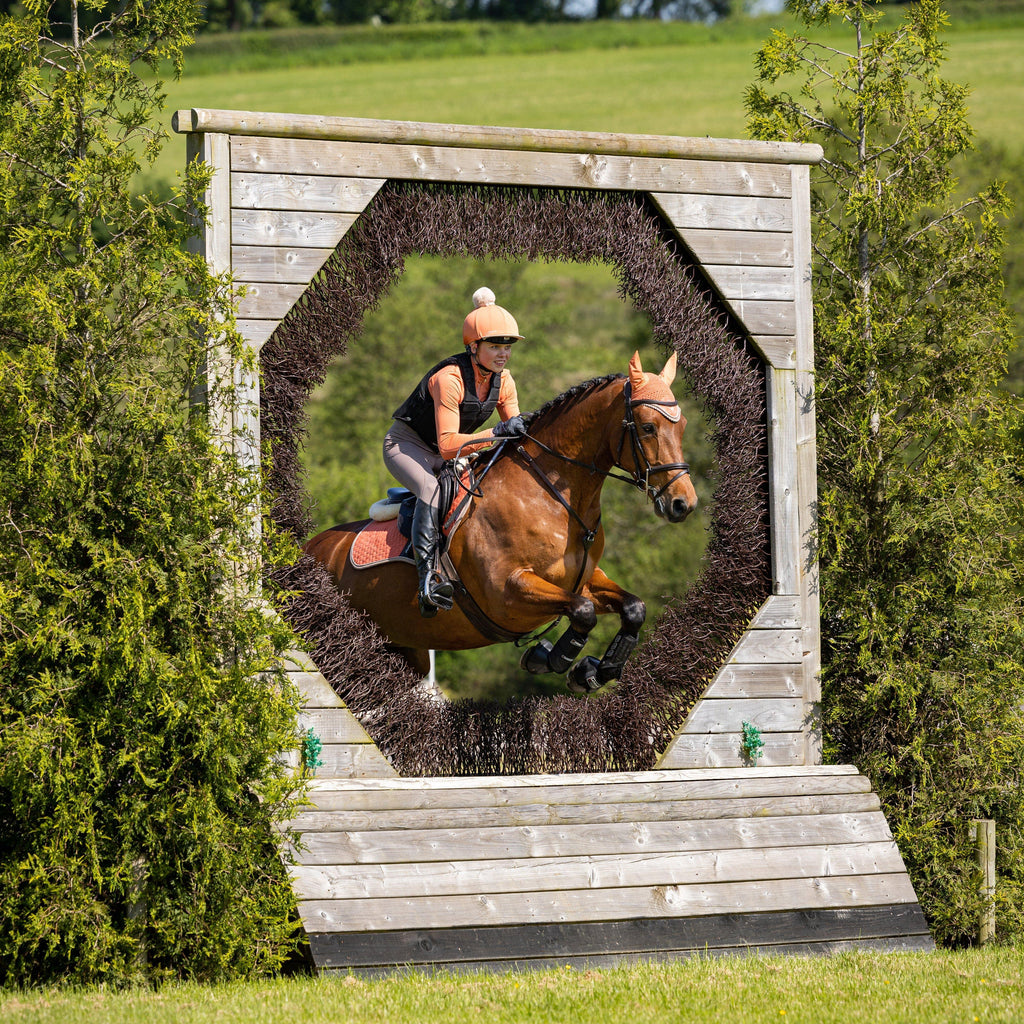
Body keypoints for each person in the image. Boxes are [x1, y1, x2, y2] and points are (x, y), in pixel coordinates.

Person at [385, 287, 527, 617]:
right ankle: (428, 582)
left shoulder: (504, 381)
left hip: (450, 451)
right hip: (407, 446)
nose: (503, 354)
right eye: (495, 346)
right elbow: (449, 446)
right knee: (432, 491)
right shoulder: (449, 379)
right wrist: (497, 432)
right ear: (473, 346)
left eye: (507, 347)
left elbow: (514, 430)